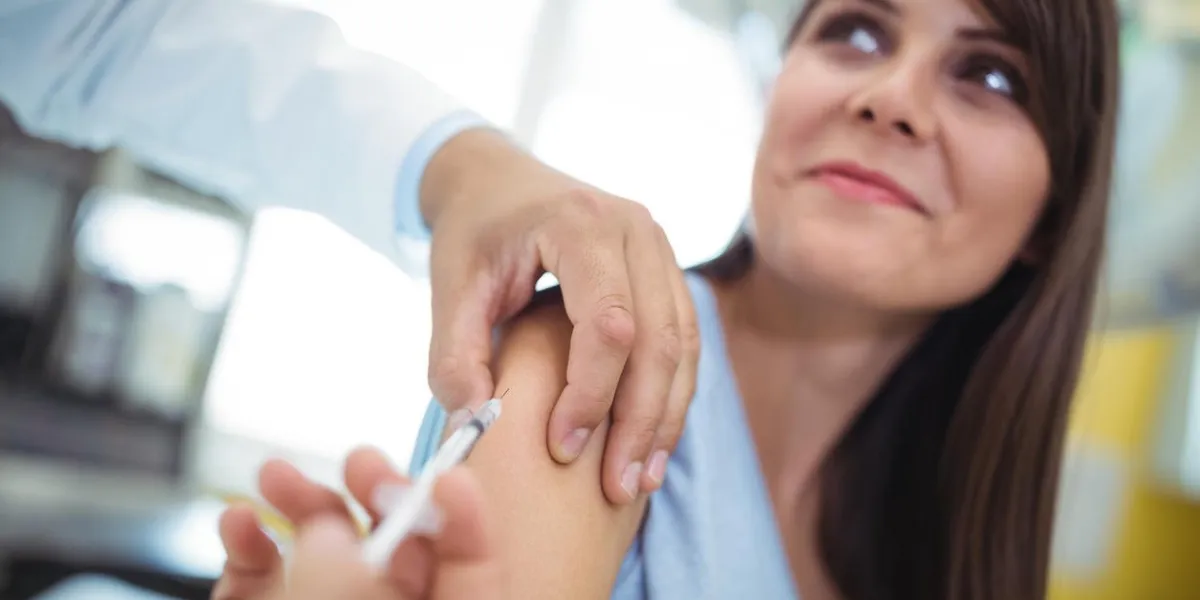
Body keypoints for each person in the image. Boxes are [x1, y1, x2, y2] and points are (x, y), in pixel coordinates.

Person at [225, 0, 1123, 598]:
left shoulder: (944, 543)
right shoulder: (596, 356)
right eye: (856, 30)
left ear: (1055, 212)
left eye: (992, 77)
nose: (892, 99)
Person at [0, 0, 698, 504]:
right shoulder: (575, 342)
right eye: (814, 34)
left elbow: (97, 31)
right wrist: (464, 173)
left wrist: (460, 171)